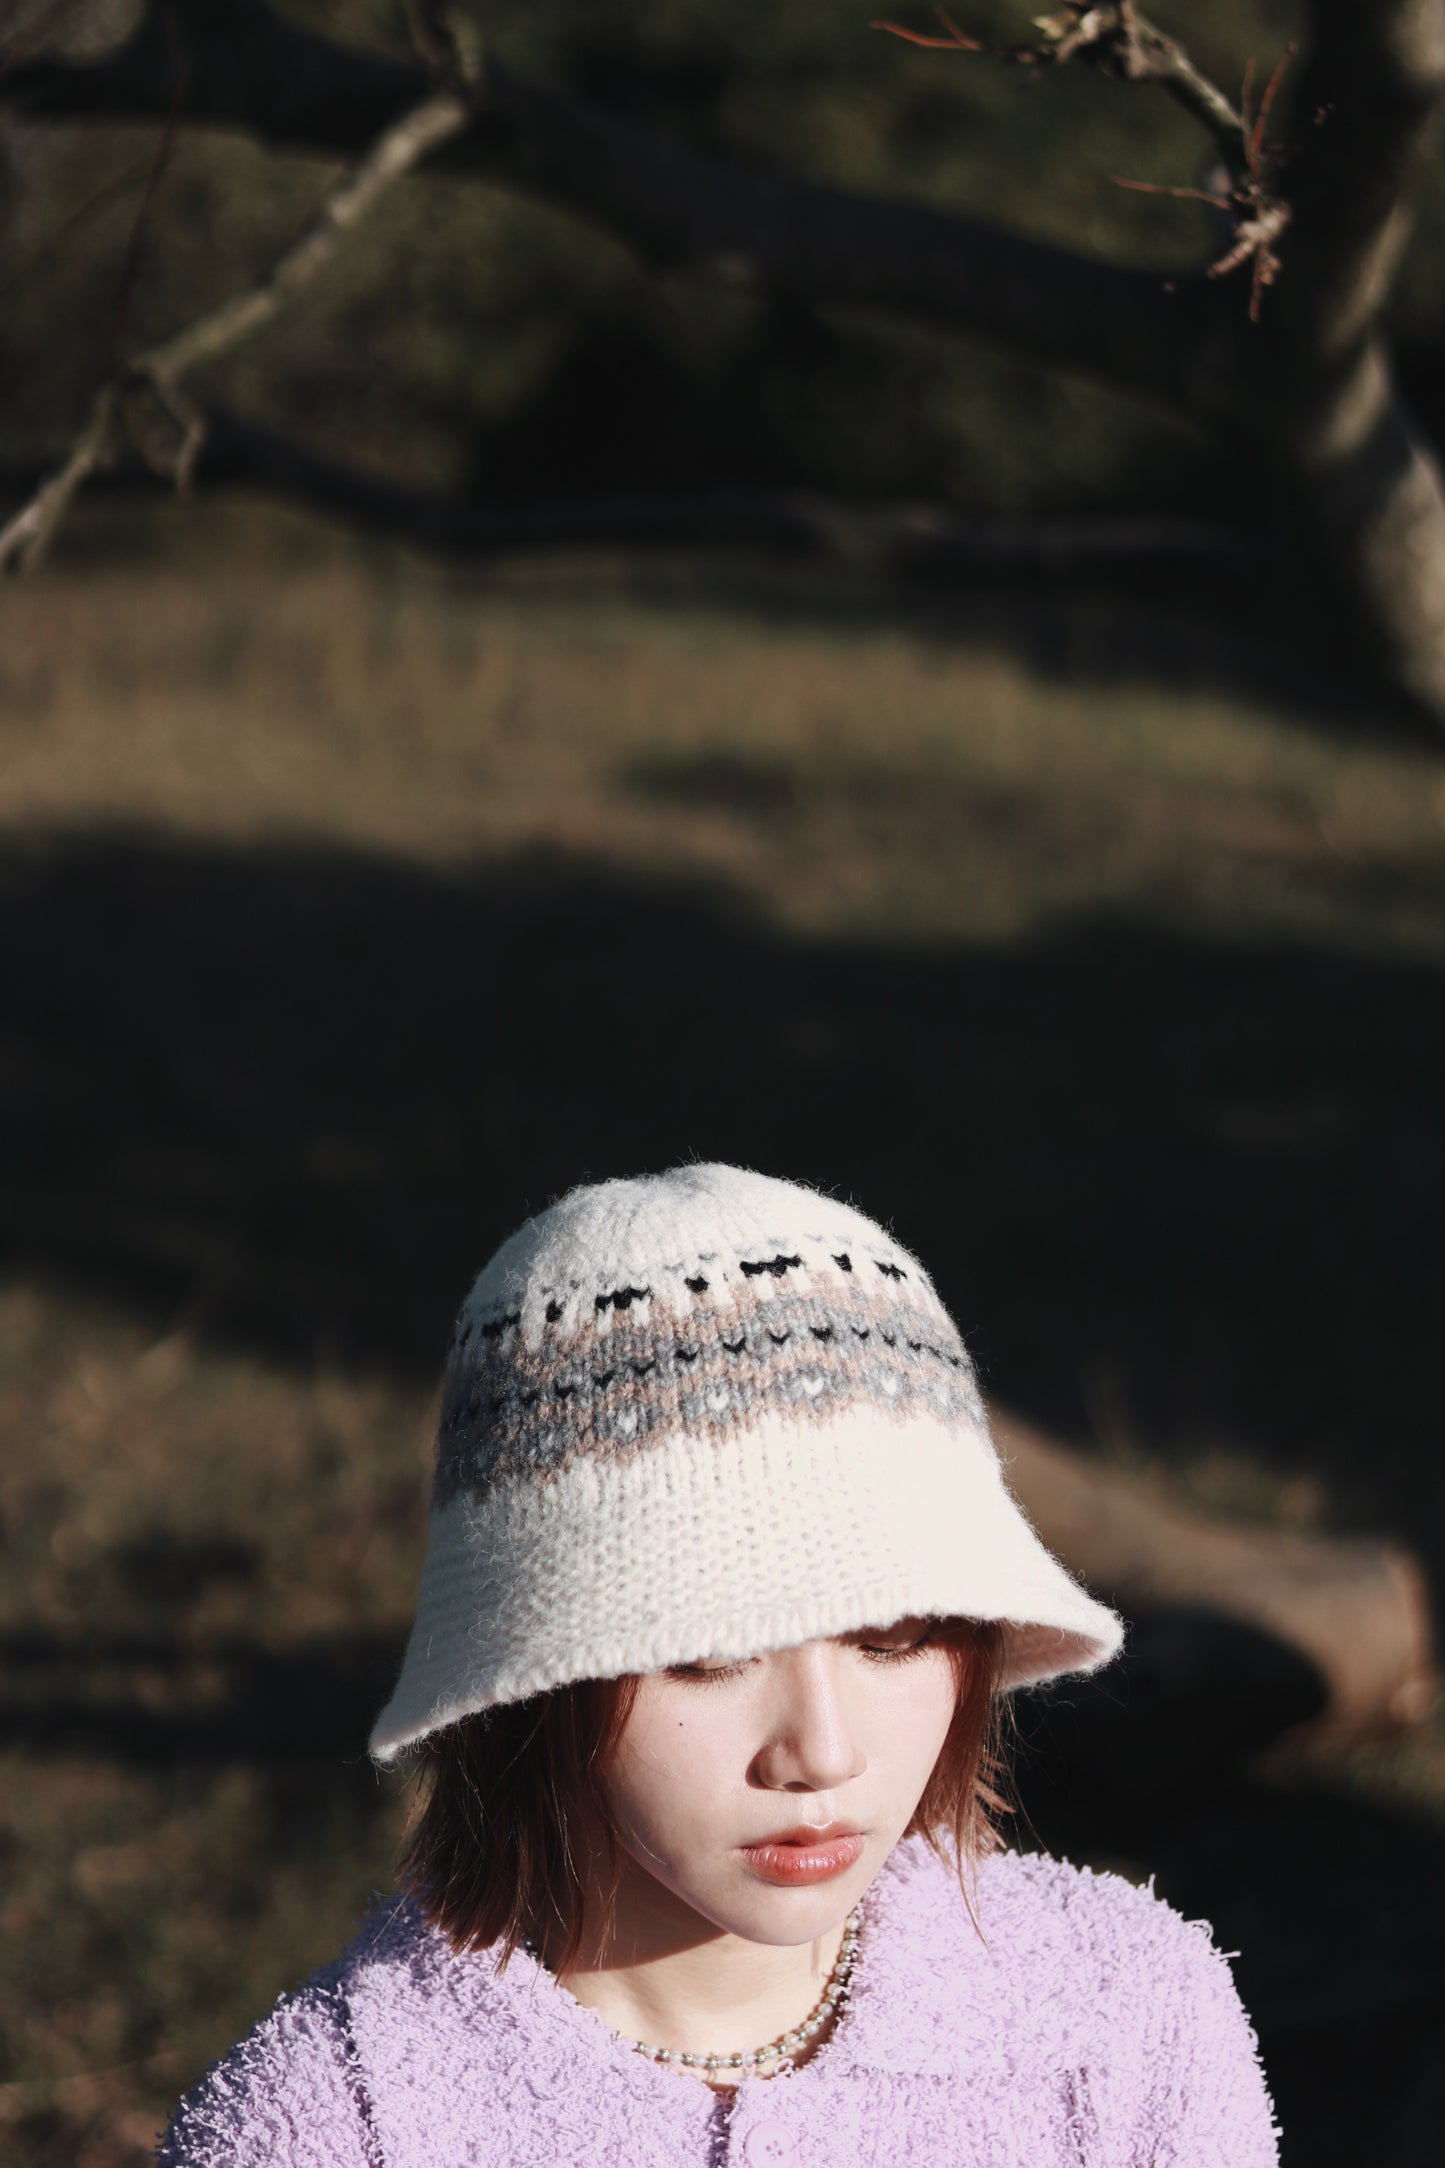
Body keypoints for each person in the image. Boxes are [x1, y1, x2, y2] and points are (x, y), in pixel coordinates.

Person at [158, 1163, 1279, 2166]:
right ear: (530, 1674)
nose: (821, 1749)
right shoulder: (325, 2127)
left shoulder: (1126, 2016)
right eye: (706, 1656)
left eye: (890, 1638)